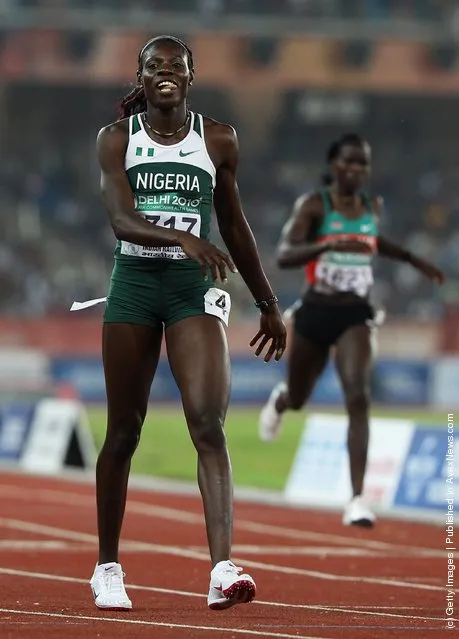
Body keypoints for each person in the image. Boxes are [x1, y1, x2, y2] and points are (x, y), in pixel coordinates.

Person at [89, 35, 286, 611]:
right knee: (124, 430)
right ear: (142, 76)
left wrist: (269, 302)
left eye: (175, 66)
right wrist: (181, 235)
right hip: (134, 285)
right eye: (155, 67)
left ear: (192, 75)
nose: (165, 74)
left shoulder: (218, 138)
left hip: (189, 291)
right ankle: (107, 567)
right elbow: (122, 220)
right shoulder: (117, 140)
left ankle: (222, 569)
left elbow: (235, 225)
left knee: (208, 422)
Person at [258, 133, 444, 527]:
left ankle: (358, 499)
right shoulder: (313, 205)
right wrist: (327, 245)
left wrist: (413, 259)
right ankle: (281, 402)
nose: (357, 170)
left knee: (358, 397)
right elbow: (285, 254)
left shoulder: (371, 206)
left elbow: (374, 242)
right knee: (299, 397)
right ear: (334, 166)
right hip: (314, 311)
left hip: (355, 314)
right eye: (350, 162)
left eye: (364, 163)